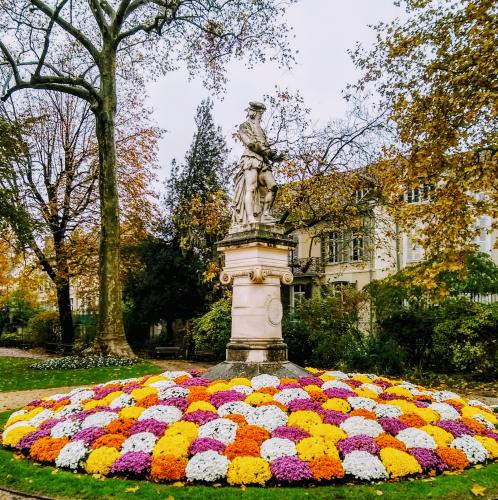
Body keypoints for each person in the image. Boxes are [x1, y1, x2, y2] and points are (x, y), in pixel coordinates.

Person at [232, 101, 283, 225]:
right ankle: (250, 218)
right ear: (253, 113)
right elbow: (250, 143)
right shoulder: (244, 126)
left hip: (264, 162)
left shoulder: (261, 130)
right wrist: (267, 152)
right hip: (251, 158)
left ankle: (265, 214)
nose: (261, 116)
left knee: (273, 186)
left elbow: (266, 149)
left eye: (262, 113)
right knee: (251, 187)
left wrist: (275, 156)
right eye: (259, 113)